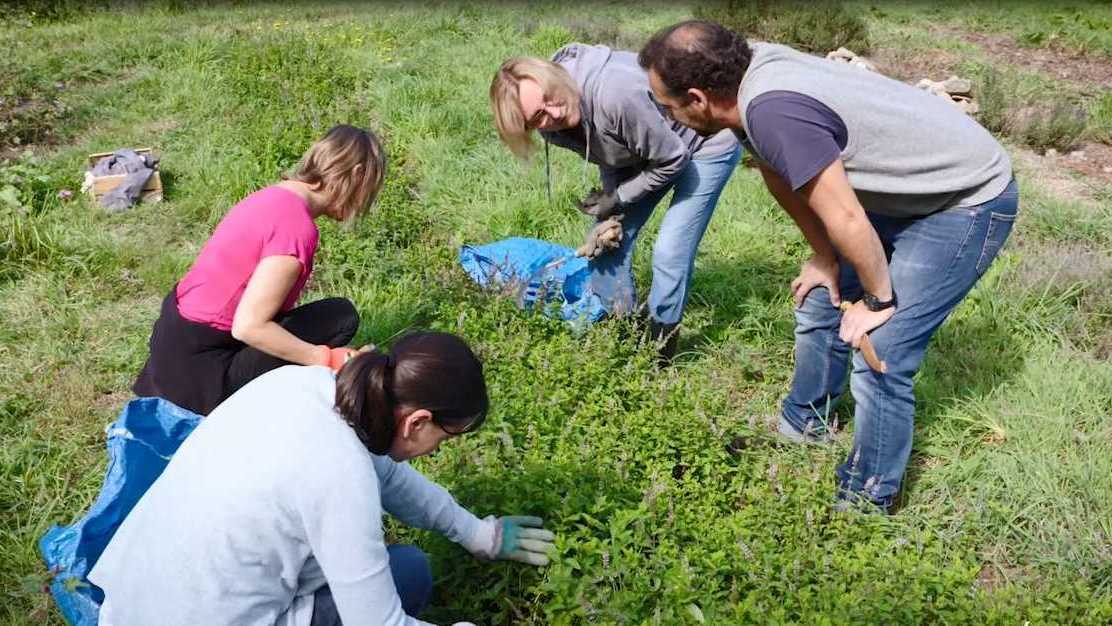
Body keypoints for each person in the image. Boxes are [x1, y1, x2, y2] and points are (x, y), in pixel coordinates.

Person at [639, 21, 1017, 512]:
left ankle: (865, 500)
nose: (668, 117)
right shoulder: (746, 81)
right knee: (822, 297)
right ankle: (805, 425)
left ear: (698, 98)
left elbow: (845, 214)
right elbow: (781, 176)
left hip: (964, 198)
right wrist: (824, 257)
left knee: (882, 346)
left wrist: (879, 301)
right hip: (907, 185)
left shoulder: (771, 108)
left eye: (668, 107)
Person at [89, 331, 556, 626]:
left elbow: (390, 478)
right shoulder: (338, 476)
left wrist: (479, 533)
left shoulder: (307, 386)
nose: (438, 450)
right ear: (417, 421)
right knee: (410, 574)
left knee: (405, 568)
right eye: (446, 438)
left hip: (132, 605)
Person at [490, 44, 741, 361]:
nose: (553, 113)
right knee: (603, 245)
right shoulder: (553, 128)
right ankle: (624, 334)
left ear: (555, 78)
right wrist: (612, 208)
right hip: (651, 148)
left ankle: (660, 353)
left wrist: (620, 197)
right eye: (537, 117)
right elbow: (609, 152)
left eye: (549, 99)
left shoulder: (614, 93)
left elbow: (672, 159)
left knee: (670, 251)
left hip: (704, 141)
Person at [132, 125, 387, 415]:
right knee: (340, 321)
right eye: (369, 191)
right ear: (356, 176)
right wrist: (326, 359)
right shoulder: (297, 229)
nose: (366, 202)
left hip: (173, 344)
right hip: (200, 374)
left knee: (338, 314)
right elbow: (249, 326)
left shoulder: (274, 197)